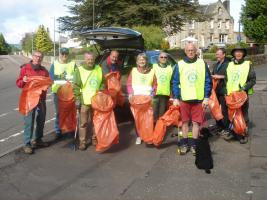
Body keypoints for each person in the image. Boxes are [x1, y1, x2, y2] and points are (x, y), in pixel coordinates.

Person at [172, 43, 212, 155]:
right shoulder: (179, 64)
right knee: (184, 123)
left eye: (192, 50)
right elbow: (175, 82)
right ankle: (184, 143)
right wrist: (175, 97)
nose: (190, 52)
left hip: (199, 99)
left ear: (196, 51)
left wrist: (207, 97)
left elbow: (208, 81)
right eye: (188, 50)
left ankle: (194, 144)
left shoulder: (202, 63)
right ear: (185, 51)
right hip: (184, 99)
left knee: (196, 123)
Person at [16, 51, 50, 154]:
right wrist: (24, 80)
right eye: (36, 56)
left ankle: (38, 140)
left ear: (42, 58)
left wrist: (47, 84)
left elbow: (48, 82)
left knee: (41, 120)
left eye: (40, 57)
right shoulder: (25, 68)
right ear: (32, 57)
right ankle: (27, 144)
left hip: (41, 99)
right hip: (29, 100)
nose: (38, 58)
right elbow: (19, 83)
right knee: (29, 122)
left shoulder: (44, 70)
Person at [224, 46, 256, 144]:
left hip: (241, 95)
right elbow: (226, 79)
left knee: (243, 115)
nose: (238, 54)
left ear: (243, 54)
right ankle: (234, 133)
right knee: (232, 115)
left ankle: (243, 134)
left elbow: (252, 80)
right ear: (233, 54)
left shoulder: (247, 64)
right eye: (236, 52)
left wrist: (243, 88)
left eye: (240, 52)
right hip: (231, 95)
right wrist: (226, 90)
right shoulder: (229, 65)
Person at [72, 52, 104, 150]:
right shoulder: (79, 70)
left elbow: (103, 82)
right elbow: (76, 86)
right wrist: (77, 99)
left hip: (96, 100)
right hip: (84, 101)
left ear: (94, 59)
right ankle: (82, 142)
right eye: (88, 59)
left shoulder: (99, 68)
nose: (90, 61)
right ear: (85, 59)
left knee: (95, 121)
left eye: (92, 59)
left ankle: (94, 139)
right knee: (83, 123)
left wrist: (101, 91)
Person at [127, 53, 156, 145]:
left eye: (143, 60)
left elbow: (155, 85)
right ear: (137, 62)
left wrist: (153, 94)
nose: (142, 61)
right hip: (136, 100)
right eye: (140, 60)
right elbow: (129, 84)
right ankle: (139, 136)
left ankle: (147, 136)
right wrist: (130, 93)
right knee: (137, 119)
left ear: (146, 61)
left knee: (148, 118)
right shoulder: (134, 71)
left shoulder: (152, 71)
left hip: (147, 99)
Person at [49, 48, 77, 139]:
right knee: (58, 112)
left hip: (70, 92)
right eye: (62, 54)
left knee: (70, 112)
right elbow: (52, 77)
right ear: (59, 54)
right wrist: (67, 77)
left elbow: (76, 76)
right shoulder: (55, 64)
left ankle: (70, 129)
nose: (64, 55)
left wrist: (63, 77)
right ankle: (58, 130)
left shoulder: (72, 64)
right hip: (58, 92)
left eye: (66, 54)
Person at [211, 48, 230, 135]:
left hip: (224, 90)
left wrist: (221, 77)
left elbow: (230, 76)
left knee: (224, 110)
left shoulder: (228, 64)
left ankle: (226, 127)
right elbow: (213, 74)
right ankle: (218, 125)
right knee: (216, 109)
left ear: (224, 55)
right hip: (216, 91)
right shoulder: (216, 64)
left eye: (218, 54)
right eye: (216, 54)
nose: (217, 56)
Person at [153, 52, 173, 121]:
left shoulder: (170, 68)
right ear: (158, 58)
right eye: (161, 57)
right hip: (155, 94)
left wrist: (172, 95)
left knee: (162, 114)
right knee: (154, 113)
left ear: (167, 59)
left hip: (165, 95)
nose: (163, 58)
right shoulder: (154, 67)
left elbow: (172, 82)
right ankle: (153, 128)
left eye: (165, 57)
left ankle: (160, 129)